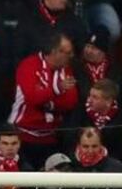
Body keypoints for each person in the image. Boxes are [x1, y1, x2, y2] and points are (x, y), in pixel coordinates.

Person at [9, 32, 79, 168]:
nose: (71, 56)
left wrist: (47, 101)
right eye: (68, 53)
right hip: (23, 136)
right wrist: (57, 89)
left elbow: (71, 101)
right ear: (55, 52)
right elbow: (32, 98)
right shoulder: (29, 65)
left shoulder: (66, 70)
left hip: (51, 138)